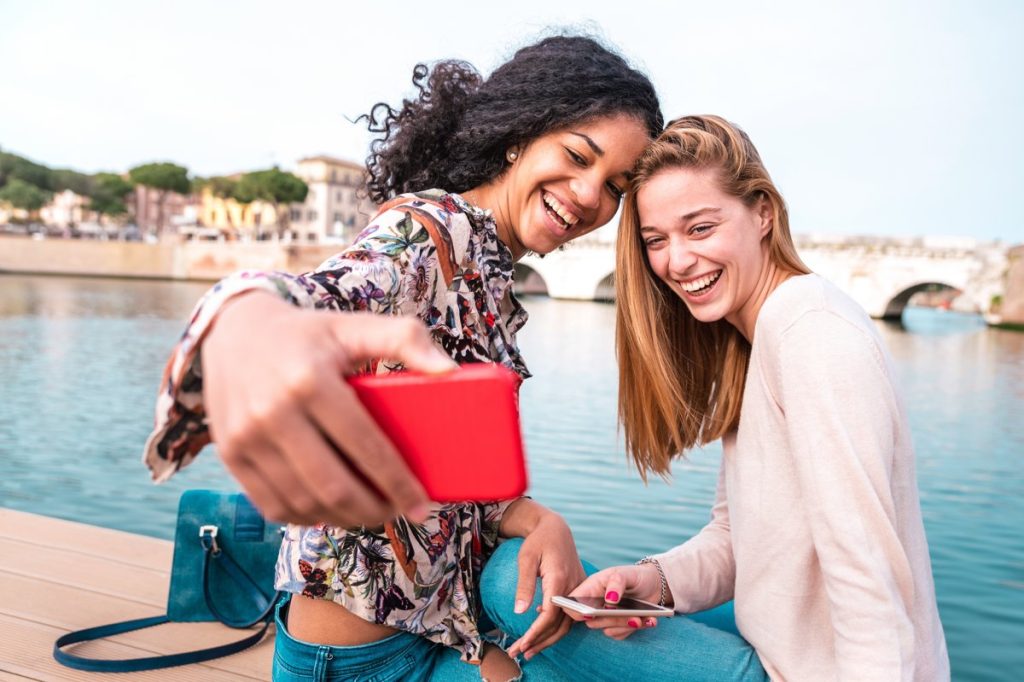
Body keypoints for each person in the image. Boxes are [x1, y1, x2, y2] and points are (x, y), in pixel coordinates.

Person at [142, 35, 662, 681]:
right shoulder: (428, 233)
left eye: (614, 185)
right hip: (352, 663)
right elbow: (316, 297)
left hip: (439, 636)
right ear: (520, 136)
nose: (589, 195)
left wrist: (540, 518)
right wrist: (245, 323)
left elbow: (445, 483)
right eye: (578, 156)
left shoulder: (491, 278)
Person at [480, 115, 950, 680]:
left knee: (513, 585)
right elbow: (737, 540)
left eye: (699, 229)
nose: (676, 262)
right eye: (656, 240)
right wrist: (650, 581)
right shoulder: (757, 339)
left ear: (763, 213)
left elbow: (867, 577)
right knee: (543, 593)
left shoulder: (812, 333)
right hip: (776, 643)